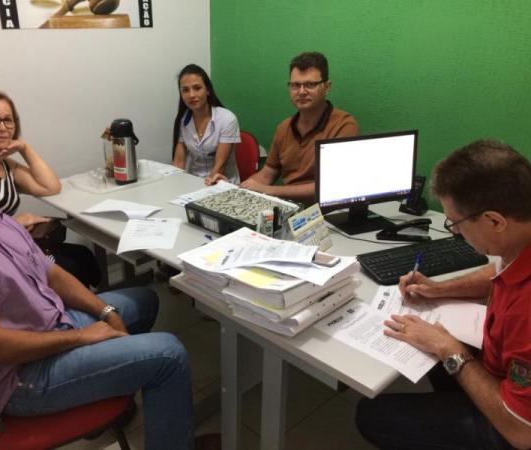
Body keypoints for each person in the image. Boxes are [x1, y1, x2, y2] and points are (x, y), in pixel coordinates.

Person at [0, 121, 222, 450]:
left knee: (144, 301)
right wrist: (83, 336)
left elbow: (51, 273)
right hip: (21, 376)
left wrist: (105, 311)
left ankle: (105, 386)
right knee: (169, 354)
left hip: (52, 325)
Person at [356, 140, 531, 450]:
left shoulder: (527, 311)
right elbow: (497, 272)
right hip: (499, 366)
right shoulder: (518, 238)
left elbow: (521, 433)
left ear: (494, 221)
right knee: (430, 354)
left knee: (371, 414)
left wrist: (449, 348)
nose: (454, 231)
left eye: (456, 223)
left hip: (513, 427)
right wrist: (438, 290)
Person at [0, 89, 101, 288]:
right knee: (71, 267)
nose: (2, 127)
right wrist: (15, 223)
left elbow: (51, 187)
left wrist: (24, 148)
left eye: (8, 120)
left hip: (13, 245)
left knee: (83, 256)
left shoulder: (5, 165)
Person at [239, 51, 358, 204]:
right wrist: (237, 190)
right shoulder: (284, 127)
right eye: (295, 85)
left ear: (327, 87)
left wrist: (270, 191)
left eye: (310, 84)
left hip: (325, 211)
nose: (301, 92)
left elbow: (331, 187)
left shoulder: (344, 125)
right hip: (289, 208)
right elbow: (267, 174)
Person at [172, 64, 241, 185]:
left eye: (197, 88)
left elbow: (220, 166)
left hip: (221, 184)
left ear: (208, 90)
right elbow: (179, 161)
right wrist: (174, 184)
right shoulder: (183, 121)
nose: (191, 95)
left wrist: (202, 189)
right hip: (193, 183)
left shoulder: (227, 119)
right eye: (185, 90)